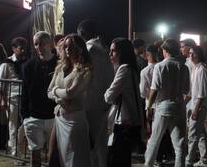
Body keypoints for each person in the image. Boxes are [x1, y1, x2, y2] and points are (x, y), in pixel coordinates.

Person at [48, 33, 92, 167]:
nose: (68, 49)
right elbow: (48, 92)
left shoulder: (85, 69)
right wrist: (59, 99)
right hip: (60, 117)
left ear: (80, 48)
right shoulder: (61, 67)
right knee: (55, 158)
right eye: (66, 46)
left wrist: (56, 91)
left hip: (75, 120)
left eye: (71, 46)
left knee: (73, 159)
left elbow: (71, 93)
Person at [144, 39, 190, 167]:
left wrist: (148, 107)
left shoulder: (160, 66)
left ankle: (148, 164)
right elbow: (186, 90)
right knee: (179, 144)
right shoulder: (184, 67)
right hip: (179, 106)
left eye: (163, 50)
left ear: (166, 51)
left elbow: (154, 90)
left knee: (154, 141)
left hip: (163, 107)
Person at [77, 19, 114, 167]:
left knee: (89, 143)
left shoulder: (88, 51)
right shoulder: (105, 50)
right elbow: (111, 76)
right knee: (101, 143)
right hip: (103, 101)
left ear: (83, 33)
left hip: (89, 103)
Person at [21, 32, 57, 167]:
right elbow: (25, 91)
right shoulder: (28, 66)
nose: (38, 47)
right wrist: (25, 116)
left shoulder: (60, 64)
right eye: (36, 44)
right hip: (34, 116)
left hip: (54, 116)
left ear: (50, 44)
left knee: (54, 155)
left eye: (42, 43)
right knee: (35, 155)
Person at [104, 38, 142, 167]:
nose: (110, 55)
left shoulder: (124, 69)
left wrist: (106, 91)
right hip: (129, 120)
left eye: (113, 51)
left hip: (124, 122)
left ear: (122, 53)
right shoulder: (130, 68)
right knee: (122, 159)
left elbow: (109, 96)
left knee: (115, 159)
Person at [0, 37, 27, 156]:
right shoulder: (6, 63)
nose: (24, 50)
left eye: (25, 47)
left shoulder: (26, 62)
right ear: (14, 49)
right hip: (12, 97)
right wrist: (2, 100)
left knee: (26, 123)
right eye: (21, 48)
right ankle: (15, 152)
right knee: (12, 125)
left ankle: (13, 144)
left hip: (24, 97)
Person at [186, 45, 207, 167]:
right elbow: (192, 90)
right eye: (189, 53)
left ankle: (188, 161)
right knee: (200, 135)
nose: (190, 55)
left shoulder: (202, 69)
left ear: (199, 55)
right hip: (193, 105)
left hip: (198, 107)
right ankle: (204, 160)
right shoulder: (195, 68)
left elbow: (201, 94)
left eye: (193, 53)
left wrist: (196, 110)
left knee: (193, 135)